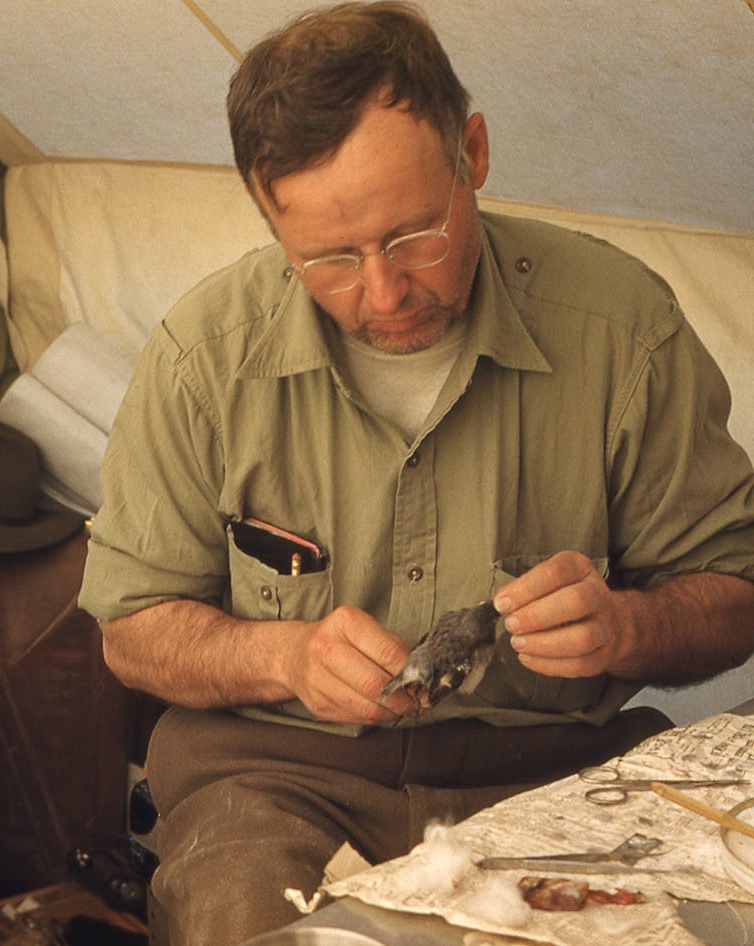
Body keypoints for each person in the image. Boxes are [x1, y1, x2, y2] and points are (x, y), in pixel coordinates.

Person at [78, 3, 754, 943]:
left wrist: (628, 627)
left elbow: (736, 595)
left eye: (412, 236)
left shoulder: (622, 328)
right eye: (329, 260)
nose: (385, 293)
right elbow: (131, 632)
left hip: (555, 778)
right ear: (269, 217)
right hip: (276, 783)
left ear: (471, 154)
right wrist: (283, 656)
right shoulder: (205, 356)